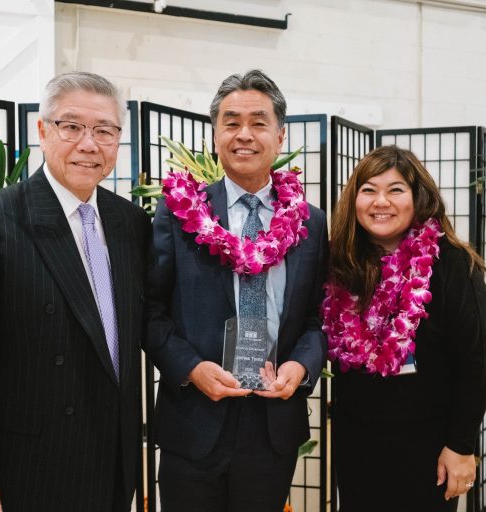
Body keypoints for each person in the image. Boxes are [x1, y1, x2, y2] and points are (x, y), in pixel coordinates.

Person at [0, 71, 150, 512]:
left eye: (104, 131)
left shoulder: (131, 223)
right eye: (72, 126)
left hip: (114, 456)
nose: (89, 144)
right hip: (28, 464)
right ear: (43, 131)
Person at [145, 69, 329, 512]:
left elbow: (320, 316)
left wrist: (302, 366)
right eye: (231, 122)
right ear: (215, 136)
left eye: (258, 122)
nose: (244, 134)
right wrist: (191, 368)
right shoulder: (179, 215)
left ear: (280, 137)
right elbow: (148, 310)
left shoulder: (310, 221)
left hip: (272, 424)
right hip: (193, 422)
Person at [324, 145, 486, 512]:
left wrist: (461, 446)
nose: (380, 202)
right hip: (357, 442)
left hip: (429, 446)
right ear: (354, 200)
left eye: (395, 190)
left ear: (419, 197)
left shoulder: (452, 265)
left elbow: (476, 362)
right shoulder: (340, 265)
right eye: (368, 190)